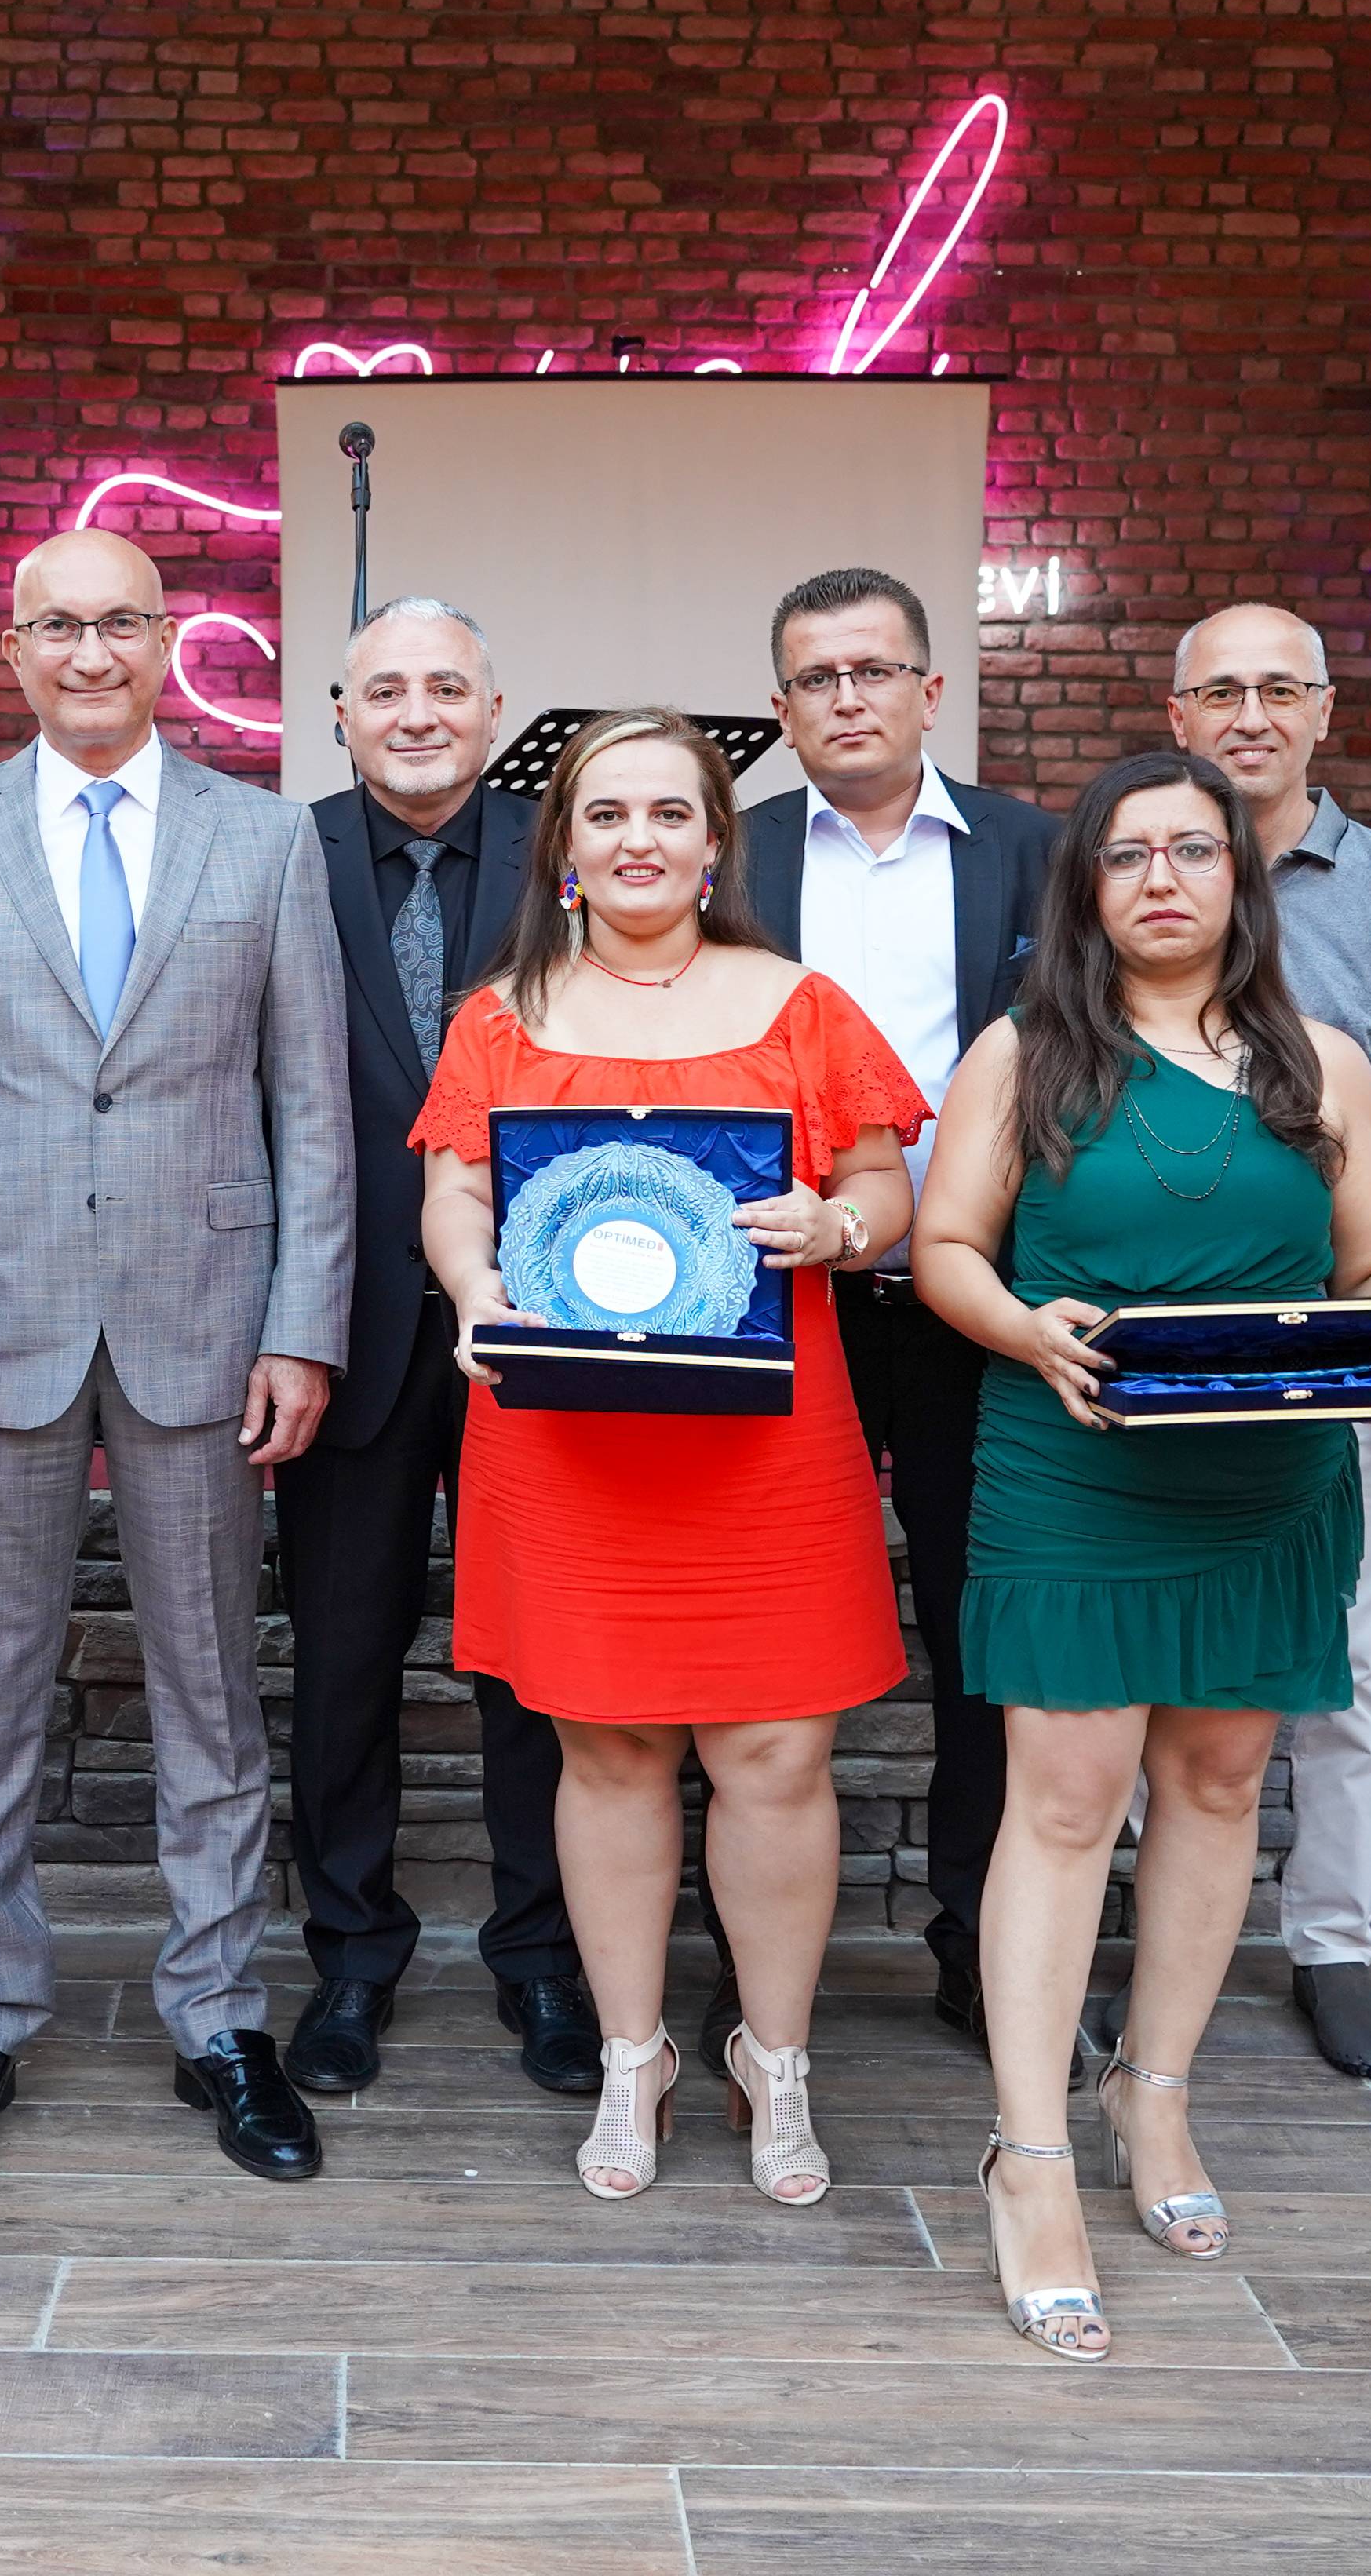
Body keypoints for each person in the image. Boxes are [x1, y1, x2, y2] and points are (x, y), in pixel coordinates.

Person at [913, 750, 1371, 2357]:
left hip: (1270, 1480)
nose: (1162, 877)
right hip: (1072, 1466)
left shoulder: (1326, 1062)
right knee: (1064, 1803)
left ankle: (1152, 2098)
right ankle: (1028, 2157)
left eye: (1194, 850)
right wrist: (1026, 1325)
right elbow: (945, 1245)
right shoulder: (1023, 1053)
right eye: (1128, 853)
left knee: (1221, 1784)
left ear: (1240, 877)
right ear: (1087, 886)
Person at [0, 530, 357, 2194]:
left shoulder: (266, 837)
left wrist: (302, 1322)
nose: (89, 653)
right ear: (12, 650)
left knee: (213, 1692)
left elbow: (310, 1108)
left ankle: (220, 2015)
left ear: (167, 641)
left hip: (205, 1316)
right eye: (57, 626)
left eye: (120, 622)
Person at [419, 709, 927, 2211]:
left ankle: (777, 2060)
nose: (637, 837)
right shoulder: (499, 1018)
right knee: (607, 1750)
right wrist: (476, 1291)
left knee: (779, 1756)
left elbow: (886, 1183)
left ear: (716, 845)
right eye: (606, 814)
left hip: (767, 1449)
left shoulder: (801, 1007)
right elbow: (456, 1195)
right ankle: (632, 2055)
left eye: (668, 813)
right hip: (566, 1443)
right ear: (563, 851)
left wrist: (839, 1226)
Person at [731, 566, 1062, 2048]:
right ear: (783, 707)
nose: (846, 698)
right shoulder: (729, 859)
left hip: (971, 1306)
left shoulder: (1038, 852)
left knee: (982, 1635)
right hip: (770, 1303)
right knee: (749, 1637)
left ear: (932, 691)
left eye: (873, 671)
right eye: (816, 678)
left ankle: (980, 1943)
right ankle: (737, 1957)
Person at [1161, 607, 1371, 2081]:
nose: (1251, 715)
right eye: (1221, 690)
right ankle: (1121, 1931)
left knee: (1346, 1657)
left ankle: (1334, 1941)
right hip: (1168, 1341)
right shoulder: (1130, 861)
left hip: (1355, 1332)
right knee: (1148, 1650)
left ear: (1324, 711)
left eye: (1279, 689)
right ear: (1177, 717)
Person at [279, 599, 586, 2101]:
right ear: (339, 713)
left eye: (446, 689)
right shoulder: (282, 858)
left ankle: (546, 1959)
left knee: (538, 1664)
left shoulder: (565, 854)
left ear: (493, 707)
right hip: (339, 1324)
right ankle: (350, 1957)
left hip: (541, 1319)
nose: (417, 714)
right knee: (342, 1660)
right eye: (385, 689)